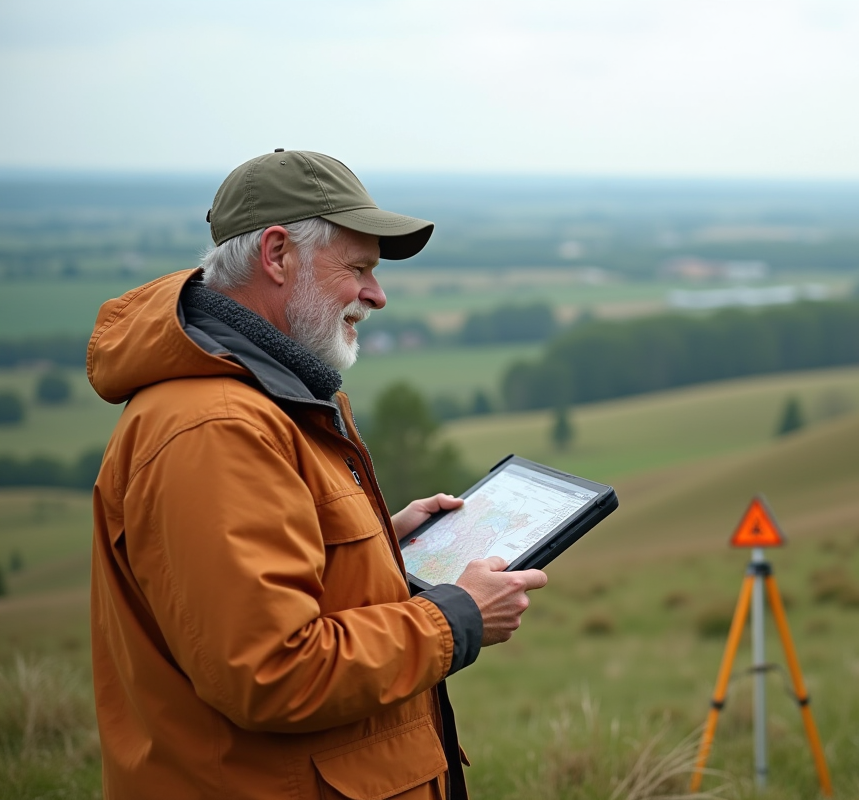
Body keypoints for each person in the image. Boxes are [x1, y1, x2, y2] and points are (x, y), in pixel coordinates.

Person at [88, 150, 548, 800]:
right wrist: (454, 618)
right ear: (277, 255)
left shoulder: (265, 396)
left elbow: (254, 580)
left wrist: (377, 541)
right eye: (358, 268)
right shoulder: (220, 428)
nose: (377, 295)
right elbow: (271, 670)